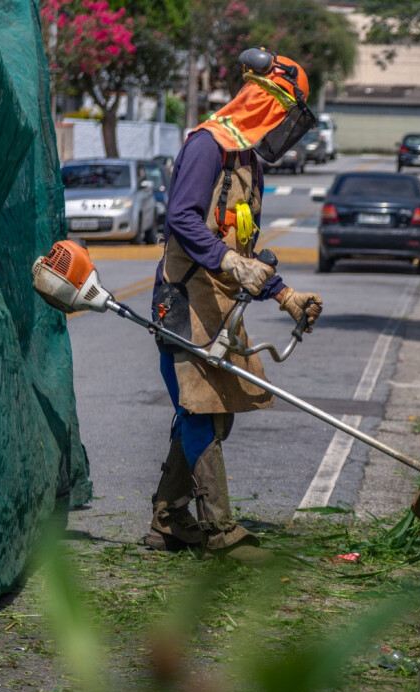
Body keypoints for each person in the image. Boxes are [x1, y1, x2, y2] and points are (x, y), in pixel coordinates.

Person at [147, 48, 322, 562]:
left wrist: (285, 295)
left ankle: (168, 520)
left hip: (221, 301)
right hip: (184, 298)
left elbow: (244, 253)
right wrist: (229, 261)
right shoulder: (208, 145)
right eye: (286, 114)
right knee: (199, 411)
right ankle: (219, 530)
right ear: (266, 101)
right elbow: (182, 218)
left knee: (215, 414)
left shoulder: (246, 160)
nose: (285, 128)